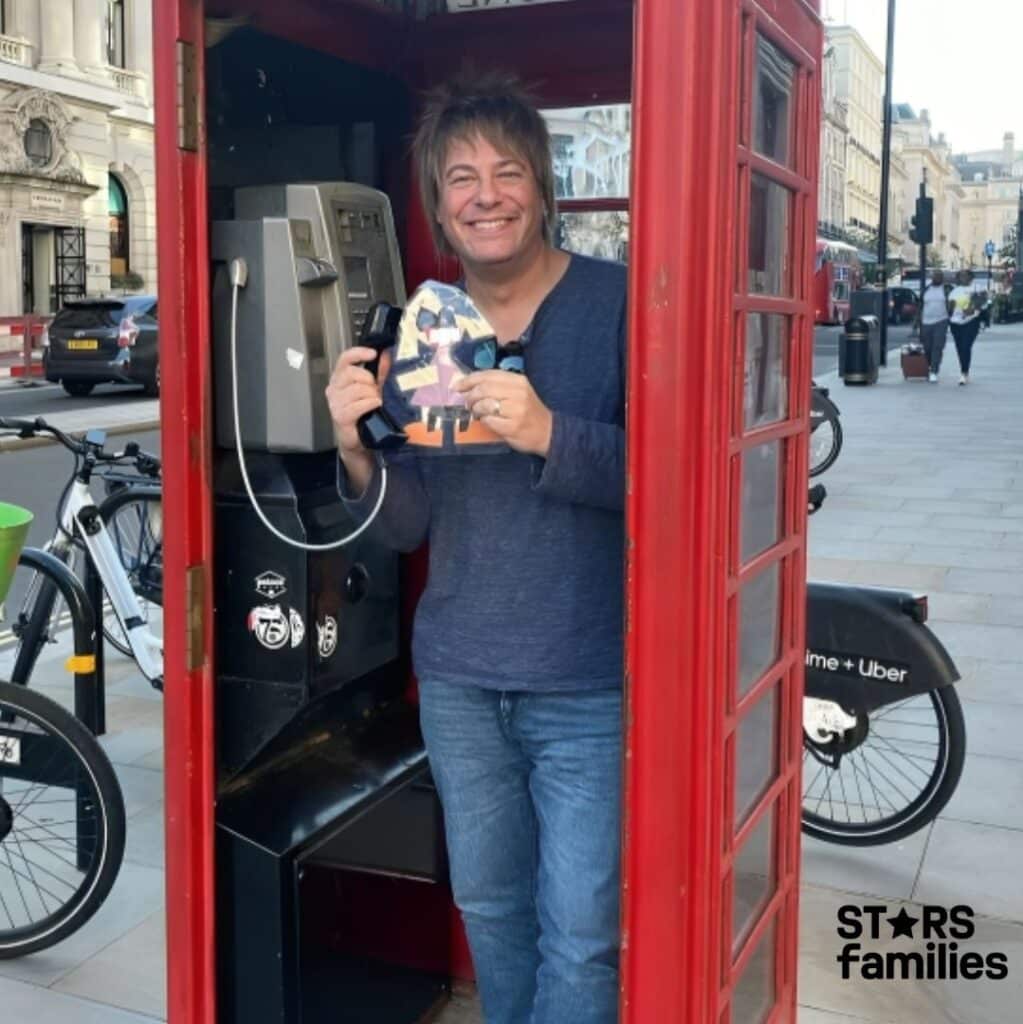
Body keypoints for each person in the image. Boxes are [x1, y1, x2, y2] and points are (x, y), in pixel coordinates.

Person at [326, 73, 626, 1024]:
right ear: (439, 207)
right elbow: (410, 524)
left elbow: (684, 484)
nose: (485, 193)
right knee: (491, 908)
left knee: (579, 933)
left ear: (542, 187)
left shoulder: (618, 305)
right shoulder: (428, 330)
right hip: (459, 679)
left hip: (586, 679)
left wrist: (549, 432)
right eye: (462, 178)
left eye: (507, 171)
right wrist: (353, 444)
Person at [948, 269, 982, 385]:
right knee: (960, 348)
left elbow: (982, 301)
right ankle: (964, 369)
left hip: (971, 322)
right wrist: (950, 310)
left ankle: (964, 373)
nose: (962, 278)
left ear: (970, 277)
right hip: (955, 323)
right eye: (960, 276)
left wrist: (973, 308)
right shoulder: (954, 291)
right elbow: (951, 306)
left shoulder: (977, 288)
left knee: (966, 346)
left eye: (965, 275)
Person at [918, 269, 949, 383]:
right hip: (926, 322)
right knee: (927, 347)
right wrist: (917, 322)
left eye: (939, 276)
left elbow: (951, 304)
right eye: (935, 276)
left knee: (937, 346)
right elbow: (920, 305)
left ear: (942, 278)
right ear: (932, 278)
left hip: (941, 321)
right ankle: (930, 365)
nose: (937, 278)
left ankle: (934, 371)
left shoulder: (946, 290)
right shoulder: (926, 289)